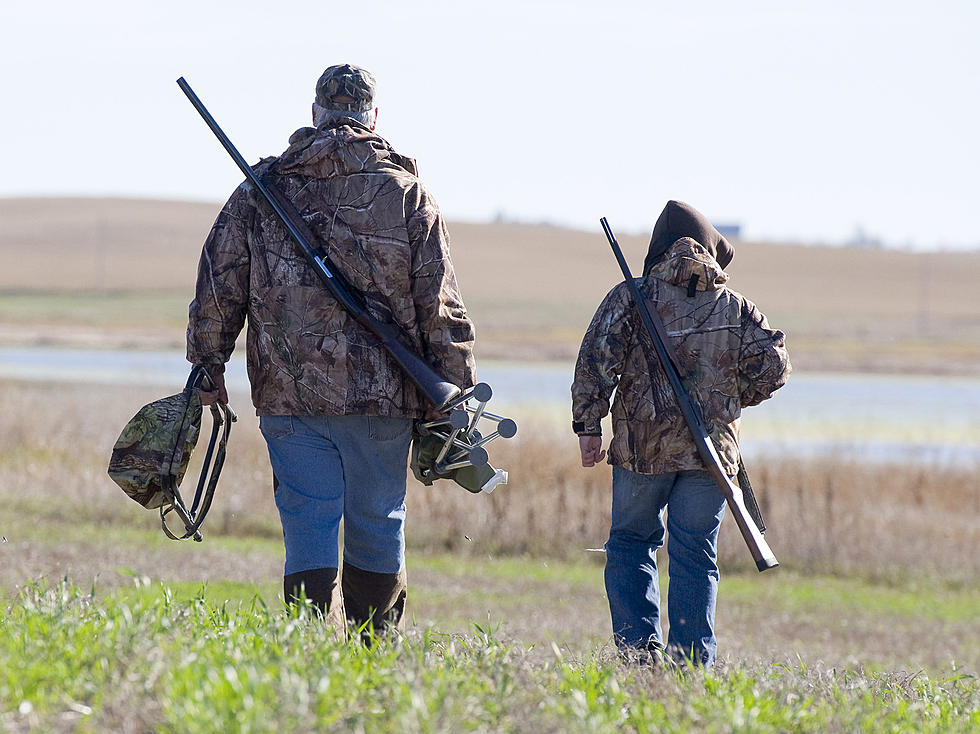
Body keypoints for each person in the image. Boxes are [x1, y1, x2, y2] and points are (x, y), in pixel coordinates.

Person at [186, 63, 476, 637]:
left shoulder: (261, 189)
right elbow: (439, 305)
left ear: (316, 113)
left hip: (289, 396)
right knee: (377, 520)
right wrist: (454, 387)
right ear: (372, 117)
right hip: (383, 399)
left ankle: (309, 645)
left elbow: (218, 283)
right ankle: (374, 653)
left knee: (307, 522)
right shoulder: (407, 194)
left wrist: (208, 363)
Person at [571, 200, 790, 666]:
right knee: (695, 555)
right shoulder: (734, 306)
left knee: (631, 543)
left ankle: (637, 654)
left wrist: (588, 427)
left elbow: (595, 363)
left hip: (640, 452)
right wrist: (729, 400)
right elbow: (775, 366)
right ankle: (691, 665)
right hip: (710, 459)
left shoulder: (631, 295)